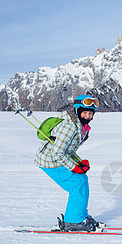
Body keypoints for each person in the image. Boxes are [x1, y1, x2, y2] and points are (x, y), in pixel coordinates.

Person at [34, 94, 100, 231]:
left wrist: (79, 162)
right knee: (77, 184)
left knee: (82, 179)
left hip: (56, 158)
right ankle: (73, 221)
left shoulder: (79, 126)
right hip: (50, 161)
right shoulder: (69, 127)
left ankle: (80, 216)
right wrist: (74, 167)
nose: (88, 116)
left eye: (90, 113)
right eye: (85, 113)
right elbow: (57, 153)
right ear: (77, 111)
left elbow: (67, 150)